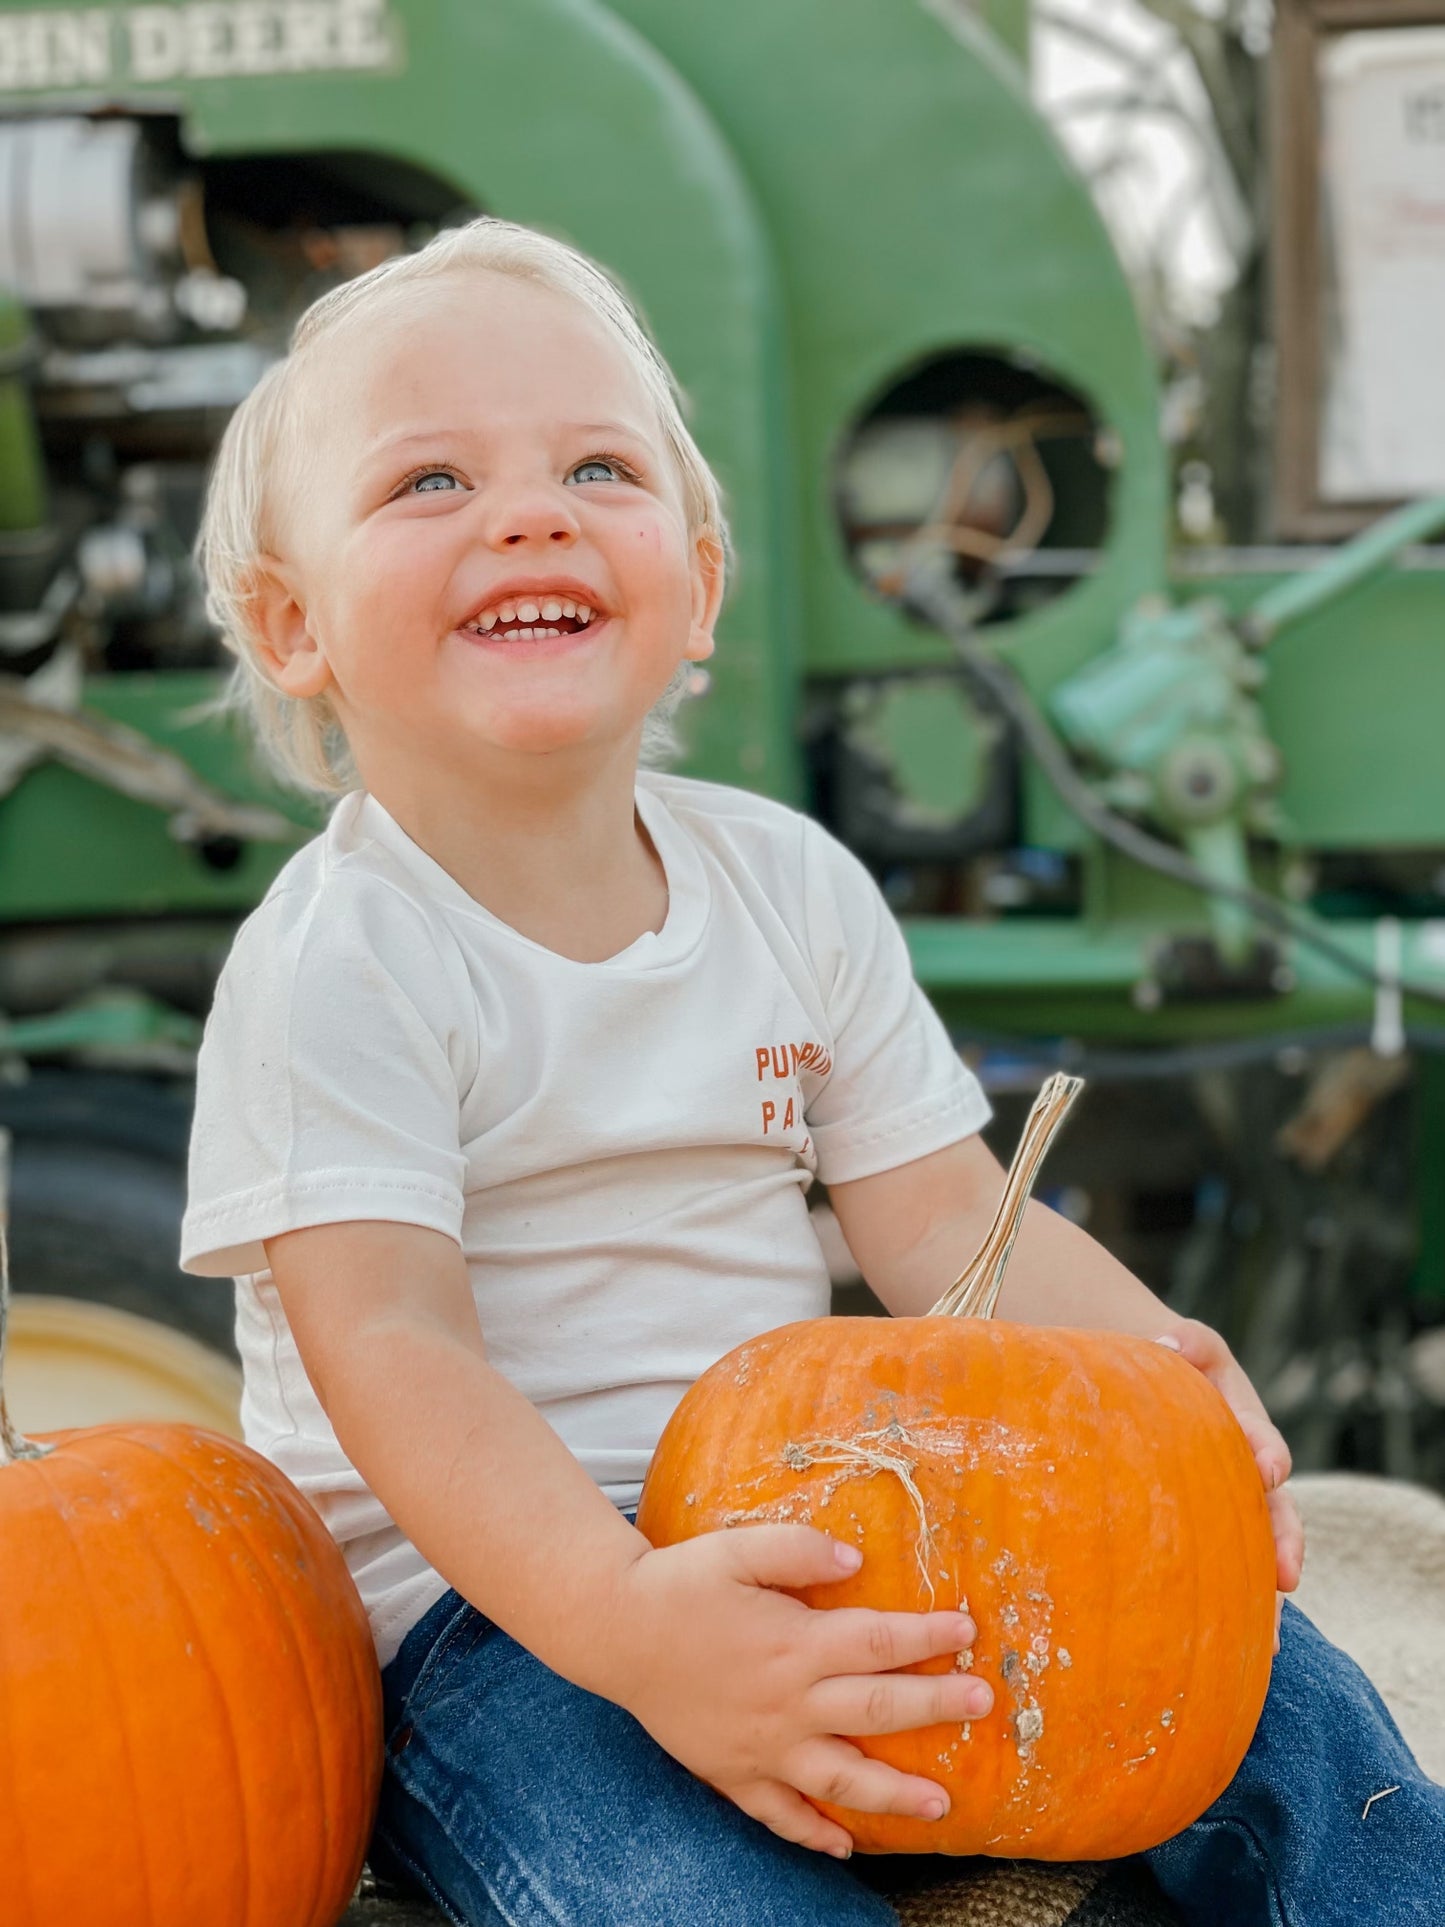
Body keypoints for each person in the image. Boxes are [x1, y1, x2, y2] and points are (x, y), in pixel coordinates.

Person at [178, 215, 1442, 1927]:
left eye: (596, 467)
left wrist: (1164, 1384)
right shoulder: (344, 958)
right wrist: (634, 1627)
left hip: (833, 1510)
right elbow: (392, 1346)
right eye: (427, 484)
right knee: (671, 1888)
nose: (528, 513)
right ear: (290, 625)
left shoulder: (783, 884)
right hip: (498, 1616)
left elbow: (938, 1218)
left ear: (694, 589)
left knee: (1287, 1721)